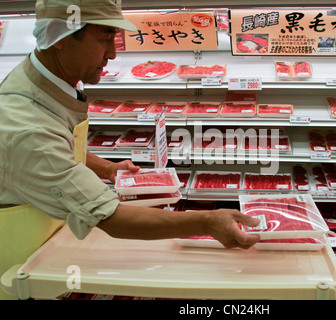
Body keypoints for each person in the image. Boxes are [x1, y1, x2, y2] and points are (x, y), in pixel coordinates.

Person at [0, 1, 260, 298]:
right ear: (60, 38)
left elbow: (60, 146)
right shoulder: (27, 126)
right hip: (24, 271)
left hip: (52, 238)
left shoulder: (46, 79)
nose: (112, 53)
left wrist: (107, 168)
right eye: (105, 37)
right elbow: (111, 217)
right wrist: (206, 221)